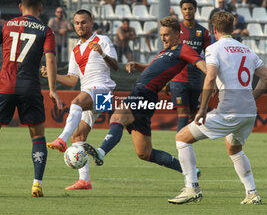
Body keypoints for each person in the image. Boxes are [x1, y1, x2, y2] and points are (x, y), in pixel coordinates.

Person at [168, 11, 267, 205]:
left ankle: (192, 187)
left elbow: (210, 77)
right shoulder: (246, 49)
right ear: (232, 28)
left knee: (182, 138)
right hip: (249, 111)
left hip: (229, 111)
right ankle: (252, 193)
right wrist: (252, 97)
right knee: (234, 148)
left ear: (213, 29)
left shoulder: (214, 49)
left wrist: (202, 109)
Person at [83, 17, 207, 179]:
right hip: (145, 94)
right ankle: (190, 171)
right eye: (161, 34)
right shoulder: (166, 51)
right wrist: (137, 65)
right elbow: (154, 69)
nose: (163, 38)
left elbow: (202, 64)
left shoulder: (183, 49)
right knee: (144, 152)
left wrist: (213, 80)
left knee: (117, 117)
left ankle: (100, 152)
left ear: (177, 34)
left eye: (167, 35)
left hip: (144, 93)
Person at [0, 0, 63, 197]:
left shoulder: (6, 25)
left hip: (4, 85)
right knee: (38, 136)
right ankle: (37, 184)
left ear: (20, 7)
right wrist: (52, 89)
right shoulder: (45, 30)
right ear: (41, 8)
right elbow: (50, 60)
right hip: (30, 88)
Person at [44, 9, 118, 190]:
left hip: (103, 90)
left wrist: (102, 53)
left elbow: (116, 66)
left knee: (76, 102)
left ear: (92, 22)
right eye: (77, 23)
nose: (80, 26)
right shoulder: (75, 49)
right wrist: (52, 75)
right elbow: (71, 79)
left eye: (84, 22)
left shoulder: (103, 40)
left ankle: (61, 139)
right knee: (78, 136)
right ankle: (84, 180)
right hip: (90, 93)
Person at [170, 0, 211, 133]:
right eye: (185, 9)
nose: (188, 11)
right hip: (178, 79)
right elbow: (168, 55)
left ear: (195, 10)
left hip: (195, 79)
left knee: (193, 118)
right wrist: (165, 80)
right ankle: (179, 146)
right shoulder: (176, 30)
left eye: (190, 8)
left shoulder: (203, 32)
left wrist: (214, 79)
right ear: (181, 11)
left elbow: (209, 57)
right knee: (182, 116)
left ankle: (186, 149)